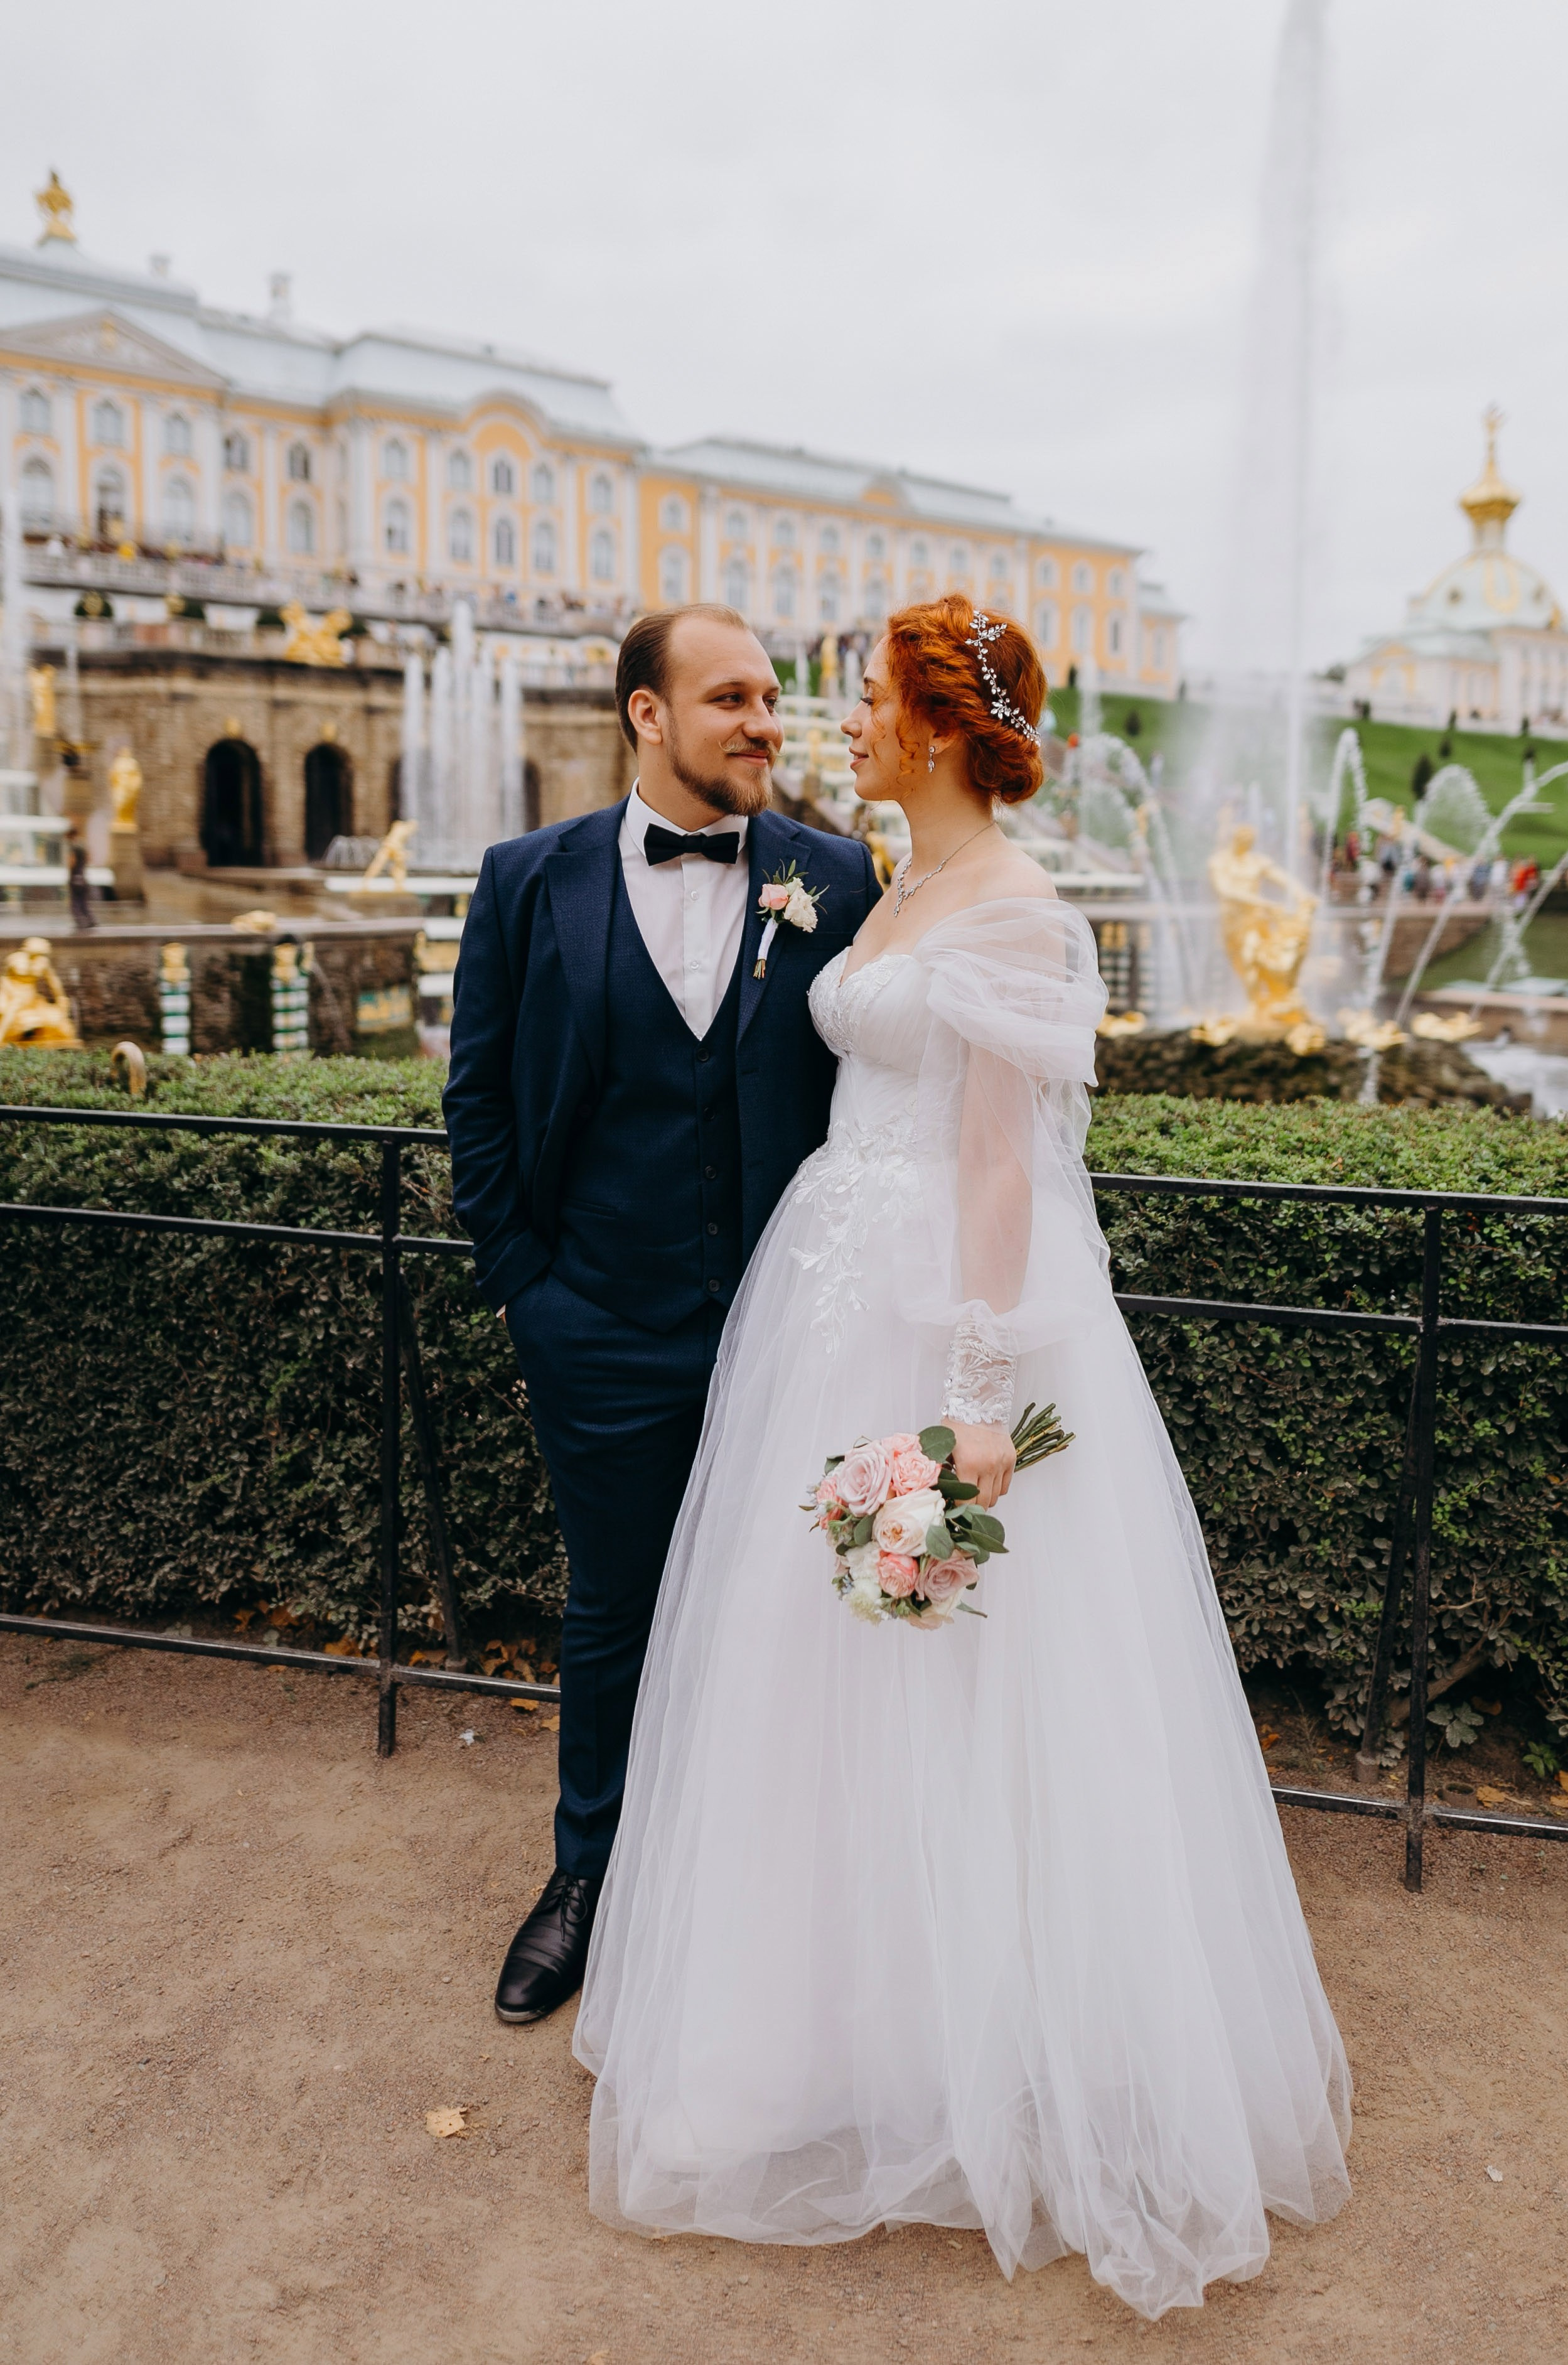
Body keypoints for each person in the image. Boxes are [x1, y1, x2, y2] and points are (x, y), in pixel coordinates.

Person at [575, 595, 1351, 2321]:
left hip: (938, 1310)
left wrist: (983, 1401)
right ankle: (828, 2032)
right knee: (809, 1672)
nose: (840, 720)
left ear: (932, 726)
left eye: (864, 699)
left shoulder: (1010, 907)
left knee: (973, 1684)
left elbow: (1002, 1164)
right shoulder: (893, 883)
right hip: (825, 1280)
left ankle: (982, 2062)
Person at [443, 604, 881, 2025]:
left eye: (770, 699)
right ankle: (587, 1883)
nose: (766, 722)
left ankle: (768, 1914)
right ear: (646, 715)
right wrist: (529, 1291)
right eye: (733, 700)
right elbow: (479, 1096)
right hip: (599, 1327)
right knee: (612, 1611)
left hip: (793, 1336)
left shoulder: (838, 877)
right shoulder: (527, 879)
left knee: (786, 1622)